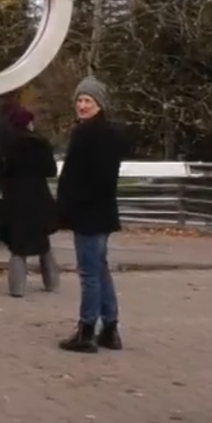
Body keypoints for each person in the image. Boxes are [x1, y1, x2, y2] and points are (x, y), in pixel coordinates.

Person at [55, 75, 127, 353]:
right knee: (100, 269)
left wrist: (69, 205)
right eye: (80, 100)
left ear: (100, 104)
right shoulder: (109, 133)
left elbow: (86, 178)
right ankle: (109, 328)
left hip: (88, 214)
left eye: (88, 101)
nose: (82, 105)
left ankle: (86, 330)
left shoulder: (87, 134)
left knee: (89, 274)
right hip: (102, 212)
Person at [0, 107, 61, 297]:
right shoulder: (40, 143)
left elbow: (0, 176)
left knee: (18, 247)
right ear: (29, 123)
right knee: (44, 245)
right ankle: (52, 284)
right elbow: (51, 171)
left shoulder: (6, 147)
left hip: (14, 200)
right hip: (39, 197)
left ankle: (17, 289)